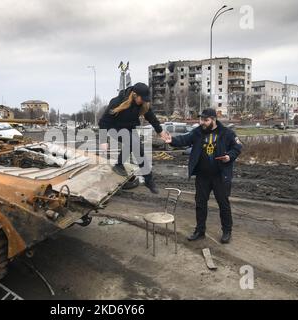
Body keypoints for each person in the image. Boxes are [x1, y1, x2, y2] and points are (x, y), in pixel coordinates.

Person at [164, 108, 242, 243]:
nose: (202, 122)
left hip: (220, 175)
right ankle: (200, 230)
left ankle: (227, 231)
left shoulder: (226, 133)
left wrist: (229, 156)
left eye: (206, 120)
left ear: (213, 119)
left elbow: (237, 147)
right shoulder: (198, 132)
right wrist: (172, 140)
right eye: (201, 119)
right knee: (200, 204)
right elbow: (185, 139)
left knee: (223, 204)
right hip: (202, 176)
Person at [98, 82, 170, 194]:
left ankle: (148, 180)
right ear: (135, 95)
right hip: (114, 128)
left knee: (139, 150)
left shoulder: (143, 104)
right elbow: (103, 121)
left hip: (129, 129)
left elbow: (152, 118)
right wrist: (103, 140)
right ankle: (119, 165)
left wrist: (160, 132)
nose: (144, 101)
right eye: (142, 99)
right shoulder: (117, 102)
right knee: (132, 142)